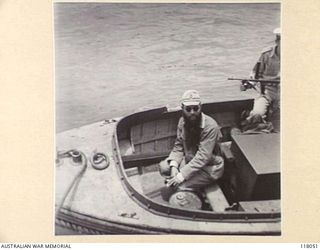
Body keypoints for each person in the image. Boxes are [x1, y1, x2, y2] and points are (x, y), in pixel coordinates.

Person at [159, 90, 224, 191]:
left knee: (179, 187)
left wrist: (181, 176)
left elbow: (203, 157)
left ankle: (198, 185)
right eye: (188, 109)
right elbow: (178, 146)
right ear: (182, 108)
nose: (192, 112)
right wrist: (174, 166)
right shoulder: (182, 122)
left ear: (200, 107)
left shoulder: (210, 127)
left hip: (209, 166)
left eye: (195, 108)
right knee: (164, 167)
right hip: (191, 158)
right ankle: (189, 180)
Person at [242, 27, 281, 131]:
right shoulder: (266, 55)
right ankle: (249, 117)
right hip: (267, 92)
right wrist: (247, 84)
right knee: (257, 114)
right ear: (277, 41)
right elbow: (255, 74)